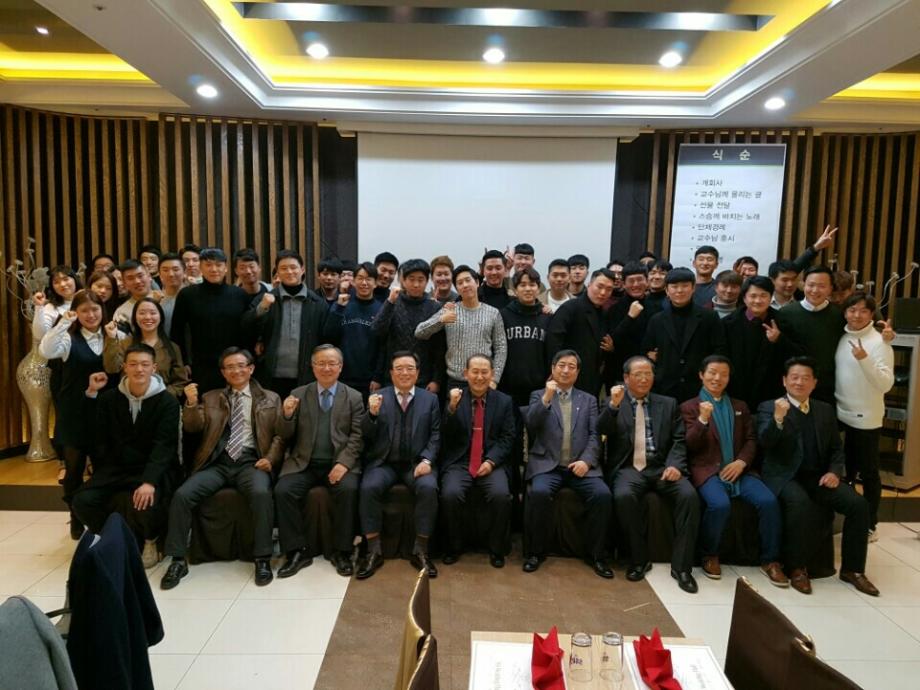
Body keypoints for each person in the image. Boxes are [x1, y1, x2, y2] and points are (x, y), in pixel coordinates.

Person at [160, 347, 284, 590]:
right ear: (223, 372)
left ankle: (262, 558)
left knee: (261, 494)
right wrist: (191, 404)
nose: (236, 371)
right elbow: (193, 428)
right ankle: (177, 560)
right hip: (217, 462)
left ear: (251, 369)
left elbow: (280, 436)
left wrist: (270, 458)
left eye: (241, 365)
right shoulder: (210, 397)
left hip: (251, 461)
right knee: (182, 495)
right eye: (230, 367)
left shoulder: (271, 398)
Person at [757, 356, 878, 596]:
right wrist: (778, 419)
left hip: (819, 477)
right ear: (784, 381)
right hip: (785, 476)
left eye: (805, 378)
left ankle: (853, 569)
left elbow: (836, 449)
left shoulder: (824, 410)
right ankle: (797, 568)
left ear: (814, 383)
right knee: (800, 504)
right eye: (794, 377)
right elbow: (765, 443)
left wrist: (834, 472)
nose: (799, 382)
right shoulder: (769, 407)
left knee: (858, 505)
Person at [680, 356, 788, 586]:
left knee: (769, 501)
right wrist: (702, 420)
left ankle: (770, 560)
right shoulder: (689, 407)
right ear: (701, 375)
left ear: (729, 378)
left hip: (740, 471)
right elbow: (690, 446)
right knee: (720, 505)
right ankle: (709, 554)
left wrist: (741, 462)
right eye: (712, 372)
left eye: (723, 374)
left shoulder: (740, 406)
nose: (717, 378)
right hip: (708, 470)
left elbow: (751, 440)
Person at [73, 344, 181, 568]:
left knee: (146, 499)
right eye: (133, 364)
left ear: (154, 368)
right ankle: (113, 539)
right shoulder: (109, 398)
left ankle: (150, 541)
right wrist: (91, 393)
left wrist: (149, 481)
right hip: (117, 468)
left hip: (153, 468)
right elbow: (96, 436)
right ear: (124, 367)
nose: (139, 369)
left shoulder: (167, 402)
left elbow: (164, 446)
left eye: (144, 364)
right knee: (83, 500)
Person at [600, 356, 700, 593]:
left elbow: (678, 440)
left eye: (648, 374)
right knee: (623, 496)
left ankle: (682, 568)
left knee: (689, 496)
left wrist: (675, 465)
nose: (644, 379)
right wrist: (613, 407)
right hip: (628, 468)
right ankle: (638, 559)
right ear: (626, 378)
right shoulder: (614, 401)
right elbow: (601, 430)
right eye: (638, 374)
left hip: (661, 467)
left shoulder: (668, 403)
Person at [274, 345, 364, 578]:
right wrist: (286, 415)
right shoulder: (298, 394)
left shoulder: (354, 397)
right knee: (283, 490)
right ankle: (296, 551)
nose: (326, 368)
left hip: (338, 463)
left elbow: (357, 436)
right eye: (321, 363)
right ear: (312, 367)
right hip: (304, 463)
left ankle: (342, 551)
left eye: (332, 363)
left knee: (348, 489)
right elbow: (284, 434)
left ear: (340, 367)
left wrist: (344, 463)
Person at [523, 350, 613, 578]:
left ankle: (597, 556)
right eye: (561, 365)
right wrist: (546, 398)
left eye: (571, 366)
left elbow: (595, 435)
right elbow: (531, 424)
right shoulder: (538, 395)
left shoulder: (588, 399)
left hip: (580, 466)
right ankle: (535, 553)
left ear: (578, 372)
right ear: (553, 368)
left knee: (602, 495)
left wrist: (587, 461)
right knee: (539, 493)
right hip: (547, 465)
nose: (565, 370)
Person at [357, 352, 441, 580]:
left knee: (428, 487)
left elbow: (436, 435)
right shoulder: (378, 396)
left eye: (410, 368)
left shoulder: (430, 399)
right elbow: (366, 435)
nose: (405, 373)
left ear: (418, 373)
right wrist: (371, 414)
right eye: (399, 368)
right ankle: (373, 551)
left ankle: (420, 551)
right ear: (391, 373)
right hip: (384, 462)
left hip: (416, 463)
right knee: (368, 487)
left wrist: (427, 460)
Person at [38, 290, 110, 540]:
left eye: (95, 309)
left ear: (102, 310)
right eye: (84, 310)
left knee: (103, 466)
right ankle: (75, 516)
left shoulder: (112, 335)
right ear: (75, 313)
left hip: (104, 413)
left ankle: (100, 515)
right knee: (74, 469)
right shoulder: (69, 339)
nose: (91, 315)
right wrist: (64, 323)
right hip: (74, 412)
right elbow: (46, 351)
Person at [440, 355, 515, 567]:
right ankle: (454, 546)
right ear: (466, 374)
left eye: (484, 372)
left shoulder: (504, 401)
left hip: (491, 462)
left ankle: (497, 549)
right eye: (475, 372)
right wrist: (451, 409)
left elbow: (508, 437)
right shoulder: (455, 398)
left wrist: (491, 461)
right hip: (460, 461)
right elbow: (446, 435)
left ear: (492, 374)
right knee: (450, 494)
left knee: (501, 495)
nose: (479, 377)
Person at [835, 293, 894, 542]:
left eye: (863, 311)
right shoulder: (842, 336)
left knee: (868, 472)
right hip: (840, 411)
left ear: (871, 314)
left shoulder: (880, 342)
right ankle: (850, 517)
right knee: (846, 470)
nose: (856, 315)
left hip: (866, 417)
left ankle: (870, 523)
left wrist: (864, 360)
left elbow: (886, 383)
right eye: (852, 310)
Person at [243, 250, 328, 400]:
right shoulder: (265, 299)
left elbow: (325, 338)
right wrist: (262, 308)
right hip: (269, 375)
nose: (289, 272)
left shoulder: (317, 303)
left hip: (306, 376)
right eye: (283, 268)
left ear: (302, 269)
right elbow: (245, 328)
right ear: (277, 272)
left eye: (293, 267)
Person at [170, 248, 254, 393]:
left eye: (218, 265)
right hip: (201, 365)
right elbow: (177, 332)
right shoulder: (187, 295)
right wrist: (184, 362)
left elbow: (248, 331)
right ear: (201, 267)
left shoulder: (240, 295)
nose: (214, 269)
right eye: (208, 265)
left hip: (235, 366)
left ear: (226, 268)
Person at [641, 267, 726, 403]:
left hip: (699, 387)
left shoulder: (709, 317)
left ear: (693, 288)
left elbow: (719, 350)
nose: (679, 290)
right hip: (664, 388)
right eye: (674, 287)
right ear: (667, 290)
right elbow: (647, 351)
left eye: (685, 286)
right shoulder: (657, 320)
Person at [415, 265, 507, 389]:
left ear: (477, 283)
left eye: (468, 280)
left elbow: (501, 348)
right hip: (456, 381)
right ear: (457, 289)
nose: (465, 285)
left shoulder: (493, 313)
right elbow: (419, 332)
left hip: (484, 379)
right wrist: (440, 320)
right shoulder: (450, 310)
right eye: (460, 283)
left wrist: (494, 379)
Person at [723, 275, 801, 413]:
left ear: (771, 297)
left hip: (772, 394)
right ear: (744, 298)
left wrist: (779, 339)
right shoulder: (728, 324)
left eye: (763, 296)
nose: (758, 300)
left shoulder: (784, 322)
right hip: (736, 393)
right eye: (753, 296)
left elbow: (798, 356)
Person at [372, 259, 443, 391]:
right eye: (411, 279)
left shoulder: (435, 307)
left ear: (427, 281)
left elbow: (439, 348)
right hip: (393, 377)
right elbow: (378, 332)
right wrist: (390, 302)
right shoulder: (392, 303)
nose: (416, 284)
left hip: (424, 379)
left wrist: (436, 380)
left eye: (421, 280)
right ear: (403, 280)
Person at [774, 266, 843, 404]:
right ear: (803, 285)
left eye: (821, 286)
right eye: (811, 285)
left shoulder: (838, 315)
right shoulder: (786, 314)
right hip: (793, 385)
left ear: (830, 288)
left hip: (826, 386)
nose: (815, 290)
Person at [546, 268, 616, 397]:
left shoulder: (604, 313)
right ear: (589, 284)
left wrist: (610, 348)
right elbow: (553, 340)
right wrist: (555, 370)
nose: (603, 293)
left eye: (609, 289)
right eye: (599, 286)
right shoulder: (570, 307)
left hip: (592, 378)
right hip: (566, 376)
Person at [103, 297, 188, 398]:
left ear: (160, 317)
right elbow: (111, 368)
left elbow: (180, 382)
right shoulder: (125, 344)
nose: (147, 317)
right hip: (130, 399)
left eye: (153, 313)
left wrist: (162, 396)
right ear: (135, 318)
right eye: (142, 313)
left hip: (161, 402)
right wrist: (111, 338)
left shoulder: (172, 348)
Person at [324, 261, 384, 400]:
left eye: (369, 279)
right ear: (353, 281)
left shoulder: (381, 309)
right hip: (341, 377)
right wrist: (339, 309)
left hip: (370, 380)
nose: (364, 283)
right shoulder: (340, 305)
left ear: (375, 283)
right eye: (360, 278)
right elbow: (328, 336)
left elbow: (383, 346)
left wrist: (378, 376)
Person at [606, 262, 663, 389]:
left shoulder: (657, 309)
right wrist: (630, 317)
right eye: (631, 281)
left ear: (647, 281)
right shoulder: (614, 309)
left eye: (640, 280)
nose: (636, 284)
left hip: (649, 372)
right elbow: (612, 342)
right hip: (620, 373)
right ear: (624, 284)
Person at [31, 265, 79, 346]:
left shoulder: (88, 299)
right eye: (56, 282)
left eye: (66, 279)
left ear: (75, 279)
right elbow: (40, 335)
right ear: (52, 287)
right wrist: (39, 307)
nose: (62, 284)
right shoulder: (51, 307)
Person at [112, 260, 153, 329]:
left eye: (140, 276)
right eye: (130, 278)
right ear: (124, 283)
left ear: (149, 276)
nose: (137, 281)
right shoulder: (121, 312)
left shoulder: (164, 299)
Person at [155, 252, 185, 333]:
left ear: (184, 272)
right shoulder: (156, 300)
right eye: (165, 270)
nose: (171, 274)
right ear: (159, 274)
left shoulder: (194, 296)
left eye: (175, 269)